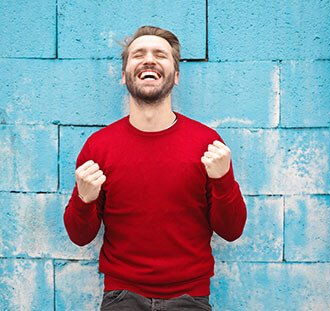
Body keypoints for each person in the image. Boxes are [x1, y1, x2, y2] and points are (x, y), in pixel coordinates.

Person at [64, 25, 247, 311]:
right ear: (125, 76)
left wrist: (223, 180)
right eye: (138, 54)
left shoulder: (207, 144)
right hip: (121, 297)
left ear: (175, 76)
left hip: (190, 299)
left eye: (160, 54)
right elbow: (79, 236)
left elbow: (232, 230)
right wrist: (83, 199)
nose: (149, 59)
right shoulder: (98, 147)